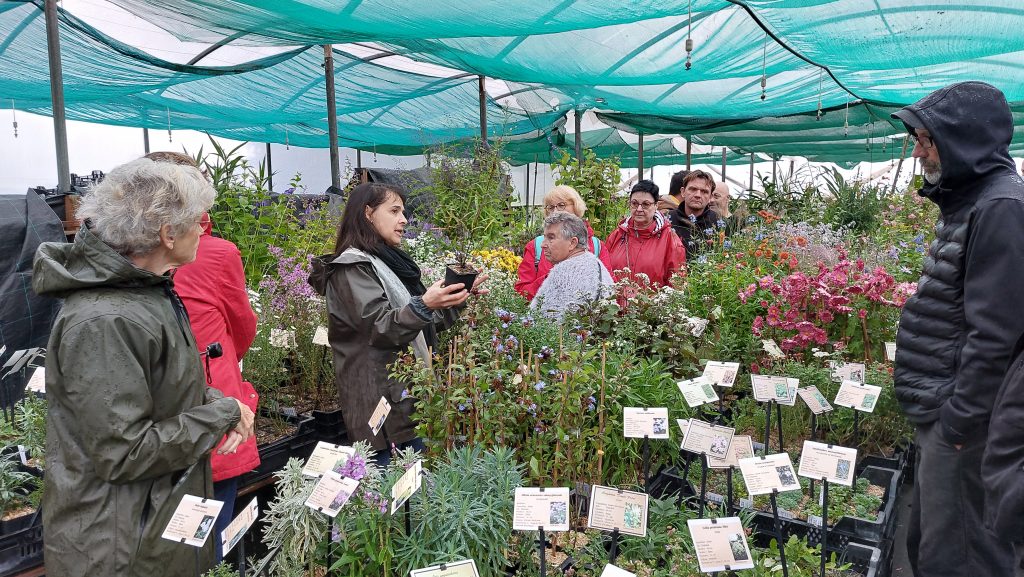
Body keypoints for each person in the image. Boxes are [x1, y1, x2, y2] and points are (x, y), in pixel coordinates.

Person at [32, 158, 255, 577]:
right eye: (196, 222)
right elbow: (124, 452)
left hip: (152, 526)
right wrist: (221, 413)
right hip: (118, 547)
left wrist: (220, 401)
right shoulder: (105, 320)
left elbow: (164, 386)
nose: (202, 231)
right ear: (168, 234)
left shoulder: (146, 294)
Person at [892, 81, 1024, 577]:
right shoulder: (972, 201)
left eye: (928, 139)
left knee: (963, 556)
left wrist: (960, 421)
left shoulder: (1000, 207)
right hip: (948, 410)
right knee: (932, 542)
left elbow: (998, 334)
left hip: (968, 422)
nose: (921, 151)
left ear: (963, 140)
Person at [308, 183, 484, 466]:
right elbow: (380, 327)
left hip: (406, 399)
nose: (404, 220)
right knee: (389, 495)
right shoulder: (352, 269)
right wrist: (423, 304)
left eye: (403, 211)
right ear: (367, 213)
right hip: (381, 404)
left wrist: (456, 299)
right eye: (394, 211)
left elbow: (419, 326)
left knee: (415, 497)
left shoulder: (384, 263)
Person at [158, 151, 260, 562]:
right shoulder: (217, 253)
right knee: (212, 533)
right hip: (212, 405)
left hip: (159, 421)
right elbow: (243, 326)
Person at [515, 185, 613, 300]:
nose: (555, 211)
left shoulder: (596, 246)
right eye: (550, 207)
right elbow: (521, 292)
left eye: (561, 205)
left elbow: (608, 289)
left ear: (576, 207)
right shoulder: (537, 246)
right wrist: (552, 279)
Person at [530, 212, 614, 320]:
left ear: (572, 243)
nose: (543, 244)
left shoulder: (565, 272)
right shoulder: (595, 263)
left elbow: (543, 320)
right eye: (544, 237)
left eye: (551, 238)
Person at [605, 180, 686, 288]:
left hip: (653, 304)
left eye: (645, 204)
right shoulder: (617, 235)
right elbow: (605, 274)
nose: (639, 209)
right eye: (634, 203)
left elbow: (677, 284)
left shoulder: (669, 239)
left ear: (656, 205)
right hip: (616, 303)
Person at [669, 170, 721, 262]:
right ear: (683, 192)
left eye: (704, 192)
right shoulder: (667, 220)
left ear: (710, 197)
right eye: (693, 189)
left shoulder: (720, 223)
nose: (698, 195)